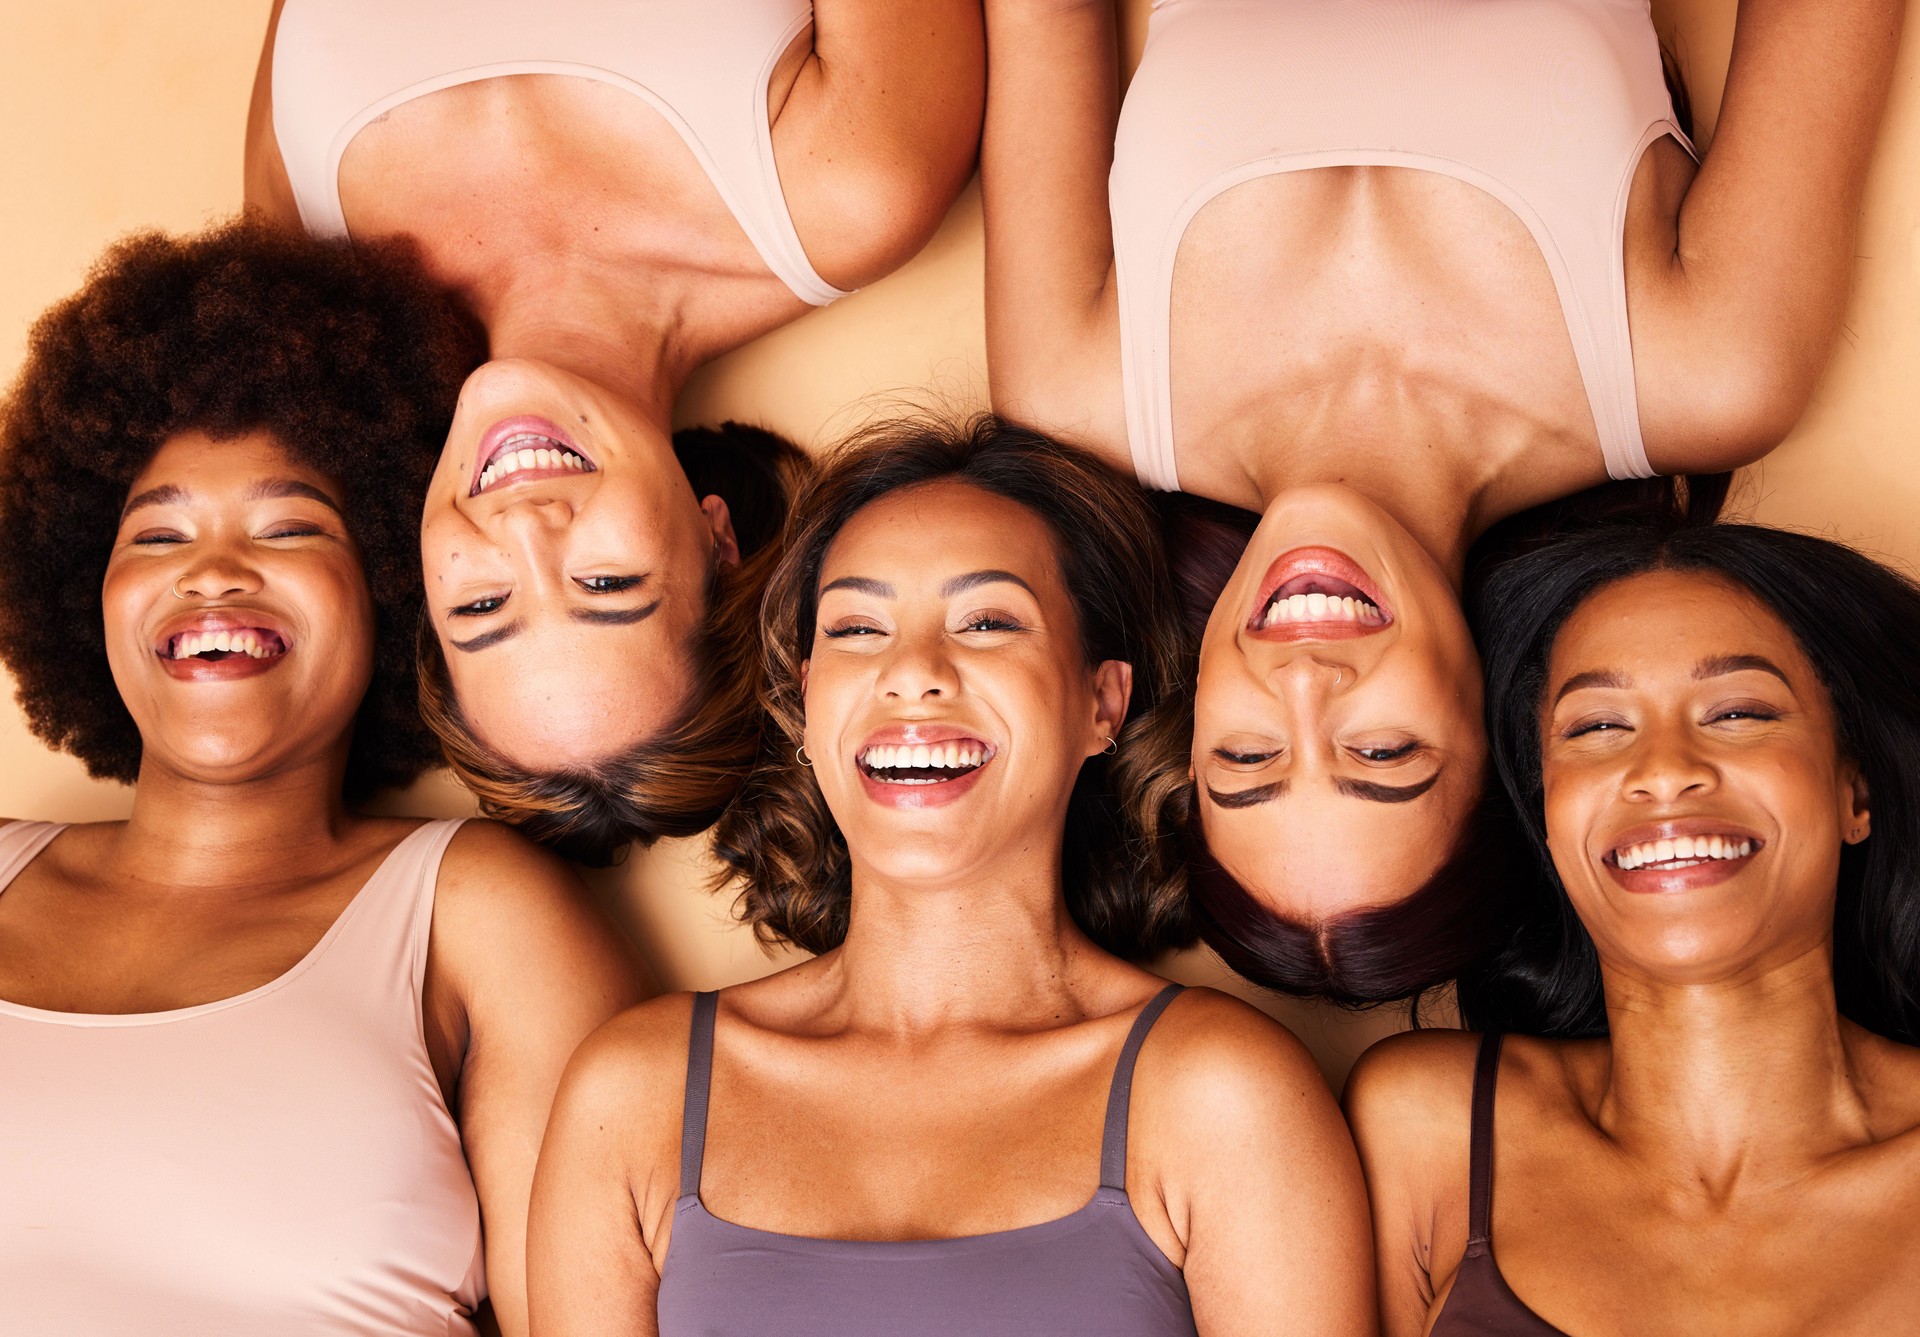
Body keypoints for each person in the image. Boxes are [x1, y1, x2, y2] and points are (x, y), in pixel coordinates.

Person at [980, 0, 1904, 1000]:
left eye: (1248, 755)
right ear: (1501, 732)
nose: (1304, 682)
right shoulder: (1706, 371)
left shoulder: (1074, 391)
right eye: (1381, 749)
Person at [527, 418, 1374, 1334]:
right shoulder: (634, 1095)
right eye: (857, 627)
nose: (914, 672)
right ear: (808, 702)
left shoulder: (1225, 1095)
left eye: (987, 620)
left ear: (1102, 701)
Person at [0, 221, 645, 1336]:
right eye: (155, 538)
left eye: (291, 525)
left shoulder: (474, 910)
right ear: (84, 593)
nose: (213, 569)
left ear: (394, 590)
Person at [244, 0, 986, 861]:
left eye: (481, 604)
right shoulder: (855, 186)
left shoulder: (307, 286)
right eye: (603, 582)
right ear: (718, 542)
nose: (524, 528)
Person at [1346, 515, 1920, 1333]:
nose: (1662, 770)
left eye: (1737, 712)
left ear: (1853, 794)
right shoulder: (1426, 1129)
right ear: (1545, 807)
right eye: (1596, 727)